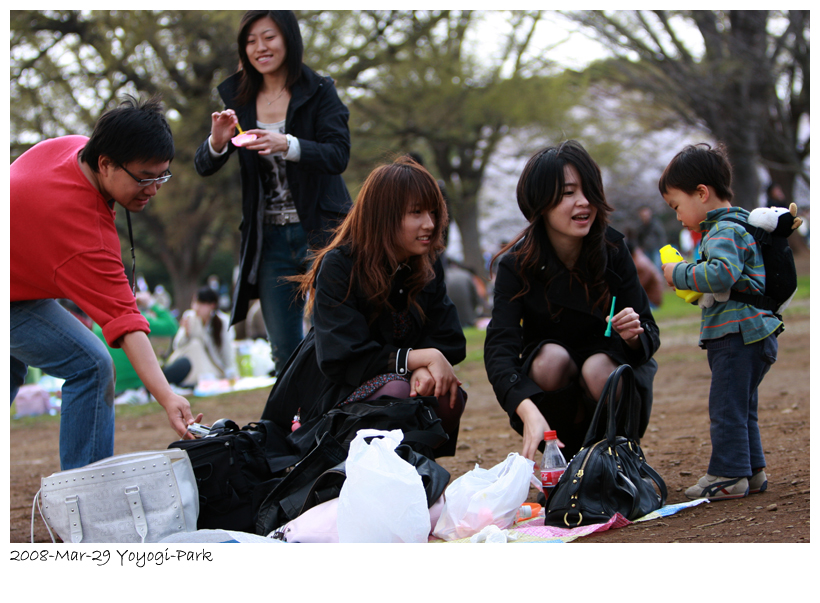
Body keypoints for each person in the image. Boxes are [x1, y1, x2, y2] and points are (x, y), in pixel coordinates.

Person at [10, 96, 201, 470]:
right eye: (144, 177)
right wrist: (167, 395)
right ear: (106, 164)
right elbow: (126, 322)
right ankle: (88, 498)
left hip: (16, 284)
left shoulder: (74, 148)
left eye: (162, 175)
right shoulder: (83, 237)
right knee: (93, 365)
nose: (154, 188)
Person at [260, 156, 467, 456]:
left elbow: (450, 338)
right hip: (330, 394)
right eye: (416, 213)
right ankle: (356, 477)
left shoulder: (426, 265)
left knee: (447, 393)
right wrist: (417, 359)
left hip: (397, 380)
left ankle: (414, 475)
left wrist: (423, 366)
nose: (429, 224)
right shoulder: (340, 265)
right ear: (384, 215)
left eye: (434, 212)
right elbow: (343, 357)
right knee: (395, 390)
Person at [194, 10, 352, 375]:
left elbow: (338, 154)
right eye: (250, 41)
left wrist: (289, 144)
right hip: (269, 240)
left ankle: (339, 420)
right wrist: (218, 141)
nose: (259, 48)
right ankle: (294, 426)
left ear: (289, 39)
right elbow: (204, 164)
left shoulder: (319, 90)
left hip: (322, 232)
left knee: (336, 338)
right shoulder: (241, 98)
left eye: (269, 37)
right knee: (284, 352)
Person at [484, 141, 660, 462]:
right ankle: (563, 462)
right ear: (539, 202)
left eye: (589, 190)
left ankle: (619, 457)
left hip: (612, 385)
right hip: (550, 394)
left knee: (597, 369)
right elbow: (500, 350)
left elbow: (649, 330)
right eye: (568, 193)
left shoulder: (614, 251)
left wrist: (634, 336)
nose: (584, 202)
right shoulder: (516, 266)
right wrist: (526, 408)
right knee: (550, 359)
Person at [660, 143, 780, 500]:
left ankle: (728, 475)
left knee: (726, 408)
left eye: (677, 206)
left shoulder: (724, 230)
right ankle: (751, 470)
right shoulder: (740, 225)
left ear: (702, 193)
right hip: (754, 332)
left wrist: (678, 273)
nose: (678, 216)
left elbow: (721, 274)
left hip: (736, 335)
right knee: (742, 407)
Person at [92, 291, 180, 395]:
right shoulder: (138, 318)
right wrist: (151, 303)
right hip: (142, 383)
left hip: (112, 386)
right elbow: (172, 326)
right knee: (184, 364)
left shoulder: (97, 323)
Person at [163, 287, 238, 388]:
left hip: (213, 365)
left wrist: (231, 372)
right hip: (189, 360)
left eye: (201, 304)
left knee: (196, 345)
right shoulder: (190, 317)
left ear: (212, 305)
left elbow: (227, 350)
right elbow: (177, 345)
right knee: (195, 345)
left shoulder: (223, 322)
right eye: (195, 303)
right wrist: (186, 333)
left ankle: (205, 377)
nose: (196, 307)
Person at [626, 241, 665, 307]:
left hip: (651, 302)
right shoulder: (639, 258)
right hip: (650, 299)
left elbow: (636, 288)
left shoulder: (639, 266)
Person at [636, 205, 667, 269]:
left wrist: (662, 247)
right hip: (645, 249)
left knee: (656, 266)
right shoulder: (640, 226)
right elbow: (639, 237)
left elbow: (661, 235)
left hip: (655, 248)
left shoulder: (655, 223)